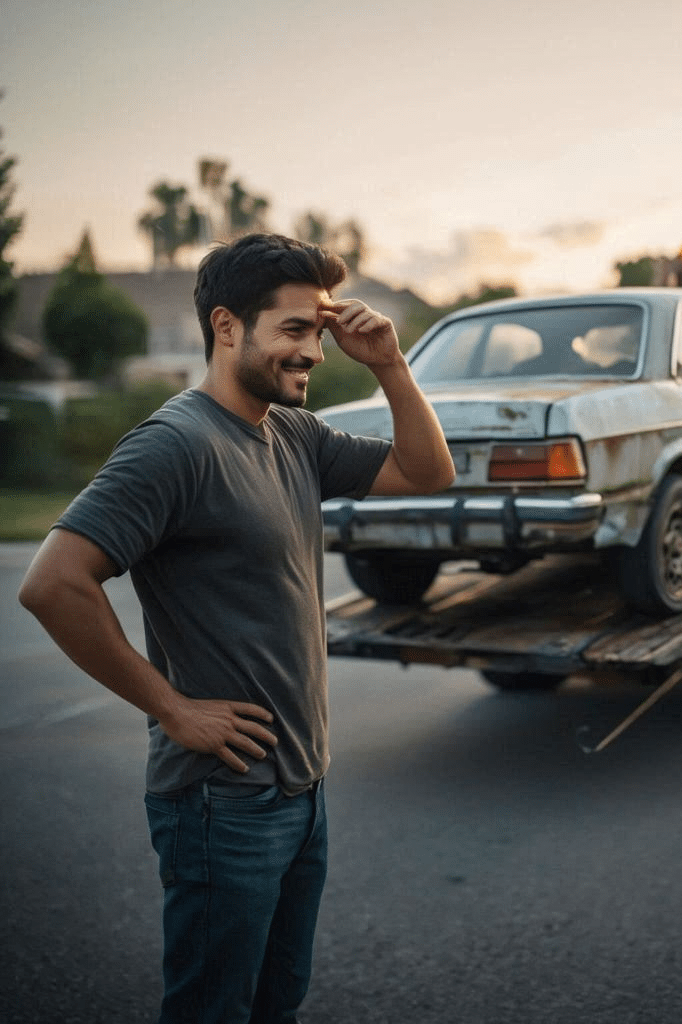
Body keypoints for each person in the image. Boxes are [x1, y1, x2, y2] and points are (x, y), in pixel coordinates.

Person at [18, 233, 456, 1023]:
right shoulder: (174, 444)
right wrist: (172, 708)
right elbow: (53, 584)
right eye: (294, 330)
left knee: (275, 1003)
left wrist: (391, 365)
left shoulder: (294, 434)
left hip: (299, 787)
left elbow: (427, 473)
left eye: (317, 332)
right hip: (222, 803)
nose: (313, 352)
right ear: (227, 327)